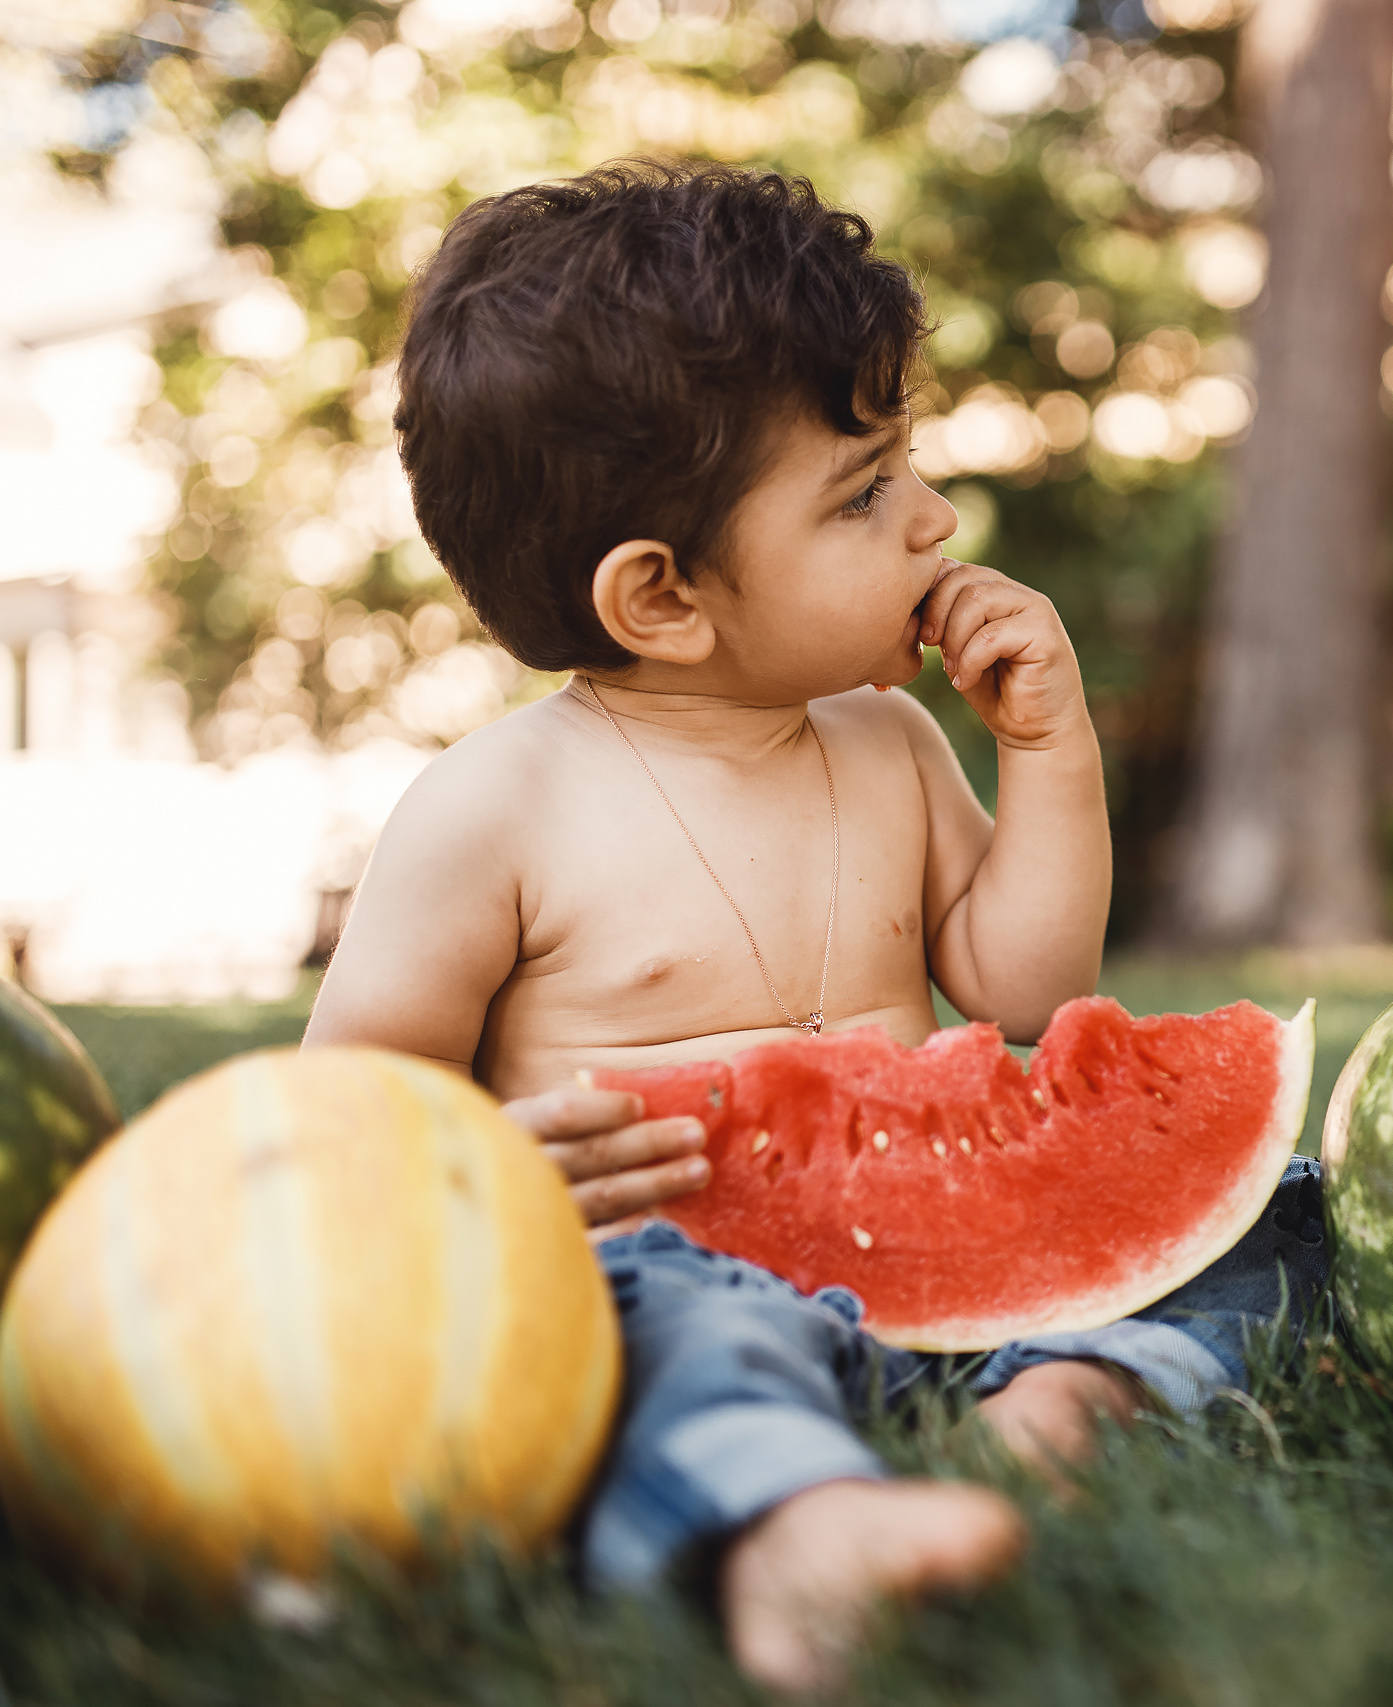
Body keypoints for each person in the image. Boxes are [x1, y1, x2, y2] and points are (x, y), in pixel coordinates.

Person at [301, 160, 1326, 1695]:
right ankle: (793, 1522)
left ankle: (1050, 1413)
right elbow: (342, 1116)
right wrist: (483, 1179)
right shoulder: (491, 811)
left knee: (1280, 1210)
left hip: (969, 1245)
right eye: (863, 493)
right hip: (671, 1260)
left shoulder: (889, 743)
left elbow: (1022, 985)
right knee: (655, 1333)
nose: (936, 517)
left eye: (906, 464)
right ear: (660, 597)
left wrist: (1047, 749)